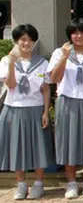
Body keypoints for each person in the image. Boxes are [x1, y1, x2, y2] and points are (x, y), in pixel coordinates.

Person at [48, 19, 83, 199]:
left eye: (82, 32)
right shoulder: (59, 52)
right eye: (75, 32)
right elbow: (54, 78)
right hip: (67, 100)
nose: (78, 36)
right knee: (67, 141)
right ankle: (71, 182)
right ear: (70, 35)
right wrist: (64, 57)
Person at [0, 24, 53, 200]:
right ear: (16, 41)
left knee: (38, 147)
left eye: (30, 39)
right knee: (16, 147)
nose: (26, 43)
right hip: (14, 109)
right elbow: (11, 85)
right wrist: (12, 64)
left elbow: (45, 89)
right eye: (22, 39)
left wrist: (46, 111)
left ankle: (38, 184)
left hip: (35, 108)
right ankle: (21, 184)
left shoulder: (42, 62)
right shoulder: (6, 61)